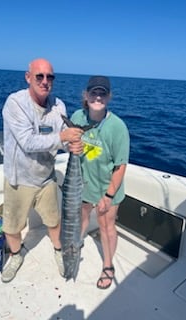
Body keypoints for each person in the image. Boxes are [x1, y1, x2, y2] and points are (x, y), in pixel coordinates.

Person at [1, 58, 83, 283]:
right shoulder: (15, 103)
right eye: (40, 76)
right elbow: (27, 141)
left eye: (50, 77)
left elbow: (63, 140)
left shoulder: (58, 106)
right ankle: (16, 256)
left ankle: (60, 251)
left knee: (54, 221)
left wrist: (73, 144)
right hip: (19, 178)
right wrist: (62, 137)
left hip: (46, 177)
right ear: (28, 77)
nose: (45, 81)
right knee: (13, 224)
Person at [71, 75, 130, 289]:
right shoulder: (77, 115)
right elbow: (72, 142)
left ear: (109, 97)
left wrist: (108, 195)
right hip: (82, 184)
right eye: (93, 92)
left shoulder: (117, 127)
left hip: (107, 187)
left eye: (102, 93)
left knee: (106, 227)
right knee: (82, 218)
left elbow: (120, 166)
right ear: (86, 95)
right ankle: (75, 247)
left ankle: (108, 266)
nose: (98, 96)